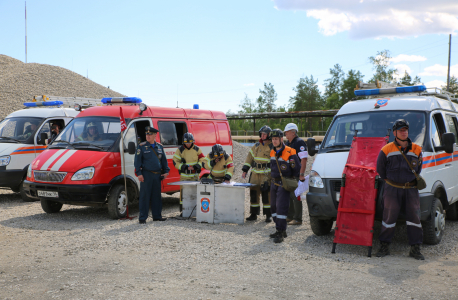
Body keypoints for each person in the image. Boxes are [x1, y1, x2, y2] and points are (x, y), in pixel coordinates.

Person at [375, 119, 424, 260]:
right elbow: (380, 169)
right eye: (401, 130)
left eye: (406, 130)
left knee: (415, 218)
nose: (404, 132)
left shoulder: (417, 149)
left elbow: (418, 169)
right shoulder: (386, 149)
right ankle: (384, 246)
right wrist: (390, 181)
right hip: (392, 189)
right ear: (395, 133)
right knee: (388, 218)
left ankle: (415, 249)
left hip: (411, 189)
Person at [269, 129, 301, 243]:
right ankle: (279, 228)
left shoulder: (290, 151)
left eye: (276, 139)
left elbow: (296, 168)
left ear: (281, 139)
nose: (274, 141)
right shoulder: (272, 151)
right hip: (273, 183)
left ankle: (281, 232)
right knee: (273, 207)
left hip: (283, 184)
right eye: (273, 139)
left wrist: (289, 179)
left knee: (281, 208)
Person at [134, 126, 170, 224]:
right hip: (146, 175)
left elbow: (164, 161)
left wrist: (166, 172)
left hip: (157, 175)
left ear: (155, 135)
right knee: (144, 196)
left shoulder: (159, 147)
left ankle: (157, 216)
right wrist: (139, 174)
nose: (148, 136)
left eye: (150, 134)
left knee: (156, 196)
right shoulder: (141, 146)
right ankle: (142, 218)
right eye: (147, 134)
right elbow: (137, 162)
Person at [242, 125, 273, 223]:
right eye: (262, 134)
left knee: (266, 194)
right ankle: (253, 214)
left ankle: (268, 215)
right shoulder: (256, 146)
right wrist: (245, 170)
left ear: (269, 135)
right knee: (254, 193)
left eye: (265, 134)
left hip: (266, 174)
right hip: (255, 173)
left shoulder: (272, 146)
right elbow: (249, 158)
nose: (262, 136)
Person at [173, 132, 206, 213]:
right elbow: (175, 161)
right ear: (184, 142)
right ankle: (183, 211)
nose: (188, 144)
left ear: (192, 142)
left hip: (194, 176)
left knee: (195, 193)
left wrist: (197, 166)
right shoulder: (180, 150)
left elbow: (203, 159)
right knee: (183, 194)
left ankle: (195, 210)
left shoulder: (197, 149)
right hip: (184, 176)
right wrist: (182, 166)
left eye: (189, 142)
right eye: (186, 143)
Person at [284, 123, 308, 225]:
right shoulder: (289, 143)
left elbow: (304, 159)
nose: (285, 134)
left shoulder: (299, 142)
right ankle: (290, 216)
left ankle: (298, 219)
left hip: (297, 174)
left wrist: (301, 174)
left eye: (287, 132)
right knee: (289, 195)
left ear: (293, 132)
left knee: (296, 195)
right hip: (290, 174)